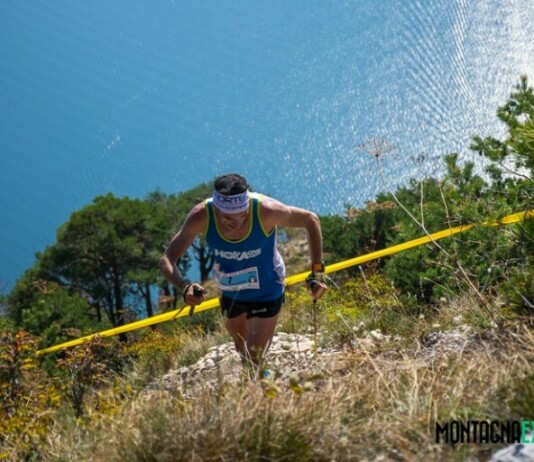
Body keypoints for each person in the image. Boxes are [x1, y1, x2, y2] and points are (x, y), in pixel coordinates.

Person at [160, 173, 327, 376]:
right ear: (216, 209)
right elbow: (167, 259)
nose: (237, 222)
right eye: (229, 218)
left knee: (254, 356)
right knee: (241, 348)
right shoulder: (201, 216)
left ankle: (265, 391)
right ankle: (261, 380)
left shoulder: (266, 211)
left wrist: (316, 273)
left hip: (267, 289)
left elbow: (310, 220)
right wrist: (185, 286)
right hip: (230, 292)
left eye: (243, 214)